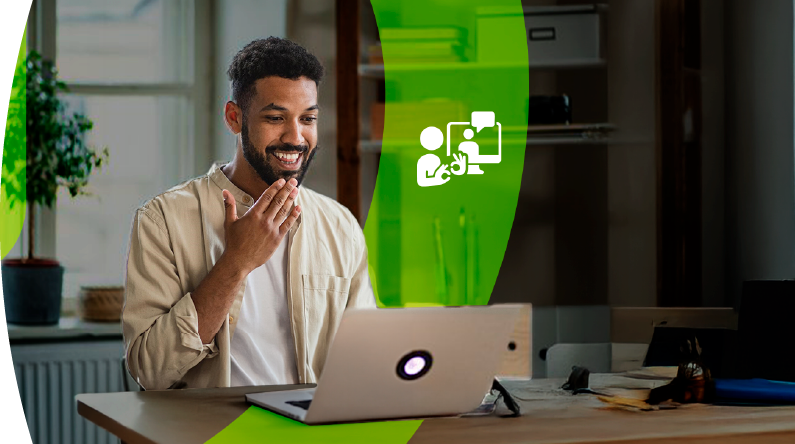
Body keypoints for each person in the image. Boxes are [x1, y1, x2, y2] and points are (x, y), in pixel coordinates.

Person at [122, 37, 376, 390]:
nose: (296, 137)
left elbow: (366, 360)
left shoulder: (340, 226)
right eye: (276, 118)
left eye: (308, 118)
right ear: (234, 118)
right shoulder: (162, 220)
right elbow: (150, 371)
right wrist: (236, 262)